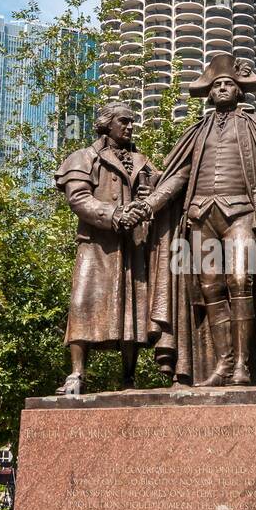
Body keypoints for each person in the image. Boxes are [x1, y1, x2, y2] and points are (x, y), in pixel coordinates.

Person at [142, 54, 256, 386]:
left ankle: (243, 364)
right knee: (210, 288)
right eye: (217, 85)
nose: (223, 88)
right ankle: (223, 364)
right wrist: (152, 203)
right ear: (209, 94)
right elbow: (178, 175)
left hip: (240, 213)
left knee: (241, 281)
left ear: (240, 91)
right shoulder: (197, 132)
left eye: (229, 84)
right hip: (200, 216)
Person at [54, 101, 159, 395]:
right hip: (97, 245)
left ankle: (128, 377)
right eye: (123, 121)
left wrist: (148, 200)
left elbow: (163, 188)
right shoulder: (82, 157)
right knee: (83, 304)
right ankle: (77, 374)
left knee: (132, 309)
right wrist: (114, 214)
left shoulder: (142, 161)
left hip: (132, 245)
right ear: (107, 124)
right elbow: (78, 198)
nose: (129, 126)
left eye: (131, 122)